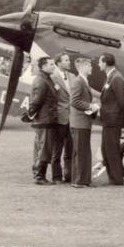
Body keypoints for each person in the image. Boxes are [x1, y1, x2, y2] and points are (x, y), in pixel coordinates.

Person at [97, 53, 124, 186]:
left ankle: (117, 179)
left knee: (111, 150)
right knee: (106, 149)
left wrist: (122, 119)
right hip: (109, 120)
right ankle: (113, 177)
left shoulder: (116, 78)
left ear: (105, 63)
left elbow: (123, 101)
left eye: (100, 62)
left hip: (113, 120)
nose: (98, 64)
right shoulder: (111, 77)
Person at [26, 57, 60, 185]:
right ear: (43, 67)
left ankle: (40, 175)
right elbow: (36, 101)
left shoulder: (45, 79)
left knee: (43, 148)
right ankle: (39, 176)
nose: (53, 66)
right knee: (44, 149)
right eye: (51, 64)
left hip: (45, 119)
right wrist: (31, 114)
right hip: (44, 120)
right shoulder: (42, 81)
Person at [68, 56, 100, 187]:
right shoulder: (78, 81)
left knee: (82, 151)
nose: (92, 68)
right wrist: (90, 106)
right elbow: (74, 101)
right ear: (84, 67)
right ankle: (80, 181)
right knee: (81, 152)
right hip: (80, 122)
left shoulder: (82, 81)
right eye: (90, 66)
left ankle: (81, 180)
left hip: (82, 122)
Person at [51, 52, 74, 180]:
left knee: (70, 149)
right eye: (66, 60)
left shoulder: (72, 76)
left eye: (68, 59)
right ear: (58, 63)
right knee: (57, 150)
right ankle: (57, 176)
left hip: (72, 119)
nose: (69, 62)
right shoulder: (53, 77)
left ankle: (69, 174)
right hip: (59, 119)